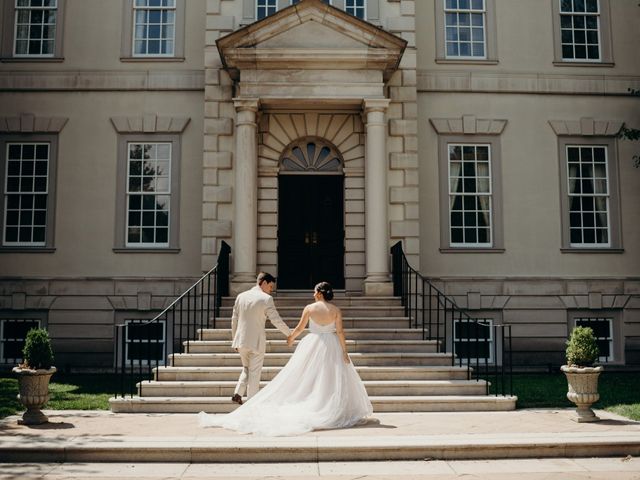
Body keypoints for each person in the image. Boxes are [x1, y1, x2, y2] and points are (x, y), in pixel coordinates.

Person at [199, 281, 373, 436]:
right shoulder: (336, 310)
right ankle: (329, 406)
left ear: (319, 293)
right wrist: (344, 351)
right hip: (332, 344)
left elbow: (299, 328)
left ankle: (314, 402)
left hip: (312, 342)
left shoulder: (310, 308)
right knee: (330, 376)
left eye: (314, 292)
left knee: (307, 376)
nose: (313, 294)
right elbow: (340, 332)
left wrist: (291, 338)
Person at [229, 272, 291, 405]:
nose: (271, 290)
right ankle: (251, 406)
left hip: (240, 341)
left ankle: (238, 393)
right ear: (263, 283)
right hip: (256, 343)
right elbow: (276, 320)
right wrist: (289, 334)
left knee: (246, 368)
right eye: (270, 287)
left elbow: (234, 320)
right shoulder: (266, 299)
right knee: (254, 375)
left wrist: (234, 339)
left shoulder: (241, 296)